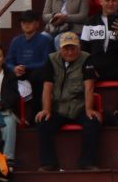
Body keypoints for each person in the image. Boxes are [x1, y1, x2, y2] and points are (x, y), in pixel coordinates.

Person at [37, 32, 103, 171]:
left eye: (73, 48)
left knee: (92, 122)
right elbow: (47, 87)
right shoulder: (51, 59)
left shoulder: (86, 58)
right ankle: (49, 163)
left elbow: (89, 86)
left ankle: (87, 162)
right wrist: (47, 110)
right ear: (60, 49)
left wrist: (89, 109)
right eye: (66, 48)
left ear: (79, 48)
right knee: (43, 122)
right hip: (58, 107)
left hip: (78, 106)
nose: (70, 52)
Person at [79, 0, 118, 121]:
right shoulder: (90, 22)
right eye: (107, 0)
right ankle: (87, 111)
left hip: (117, 66)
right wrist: (90, 66)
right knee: (83, 71)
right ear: (101, 2)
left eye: (114, 1)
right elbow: (84, 49)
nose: (110, 4)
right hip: (96, 65)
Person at [6, 11, 56, 104]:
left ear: (37, 24)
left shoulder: (44, 40)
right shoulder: (16, 41)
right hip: (19, 72)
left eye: (30, 22)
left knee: (40, 75)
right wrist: (14, 68)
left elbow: (47, 62)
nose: (26, 25)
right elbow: (8, 61)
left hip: (36, 73)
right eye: (24, 22)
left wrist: (26, 67)